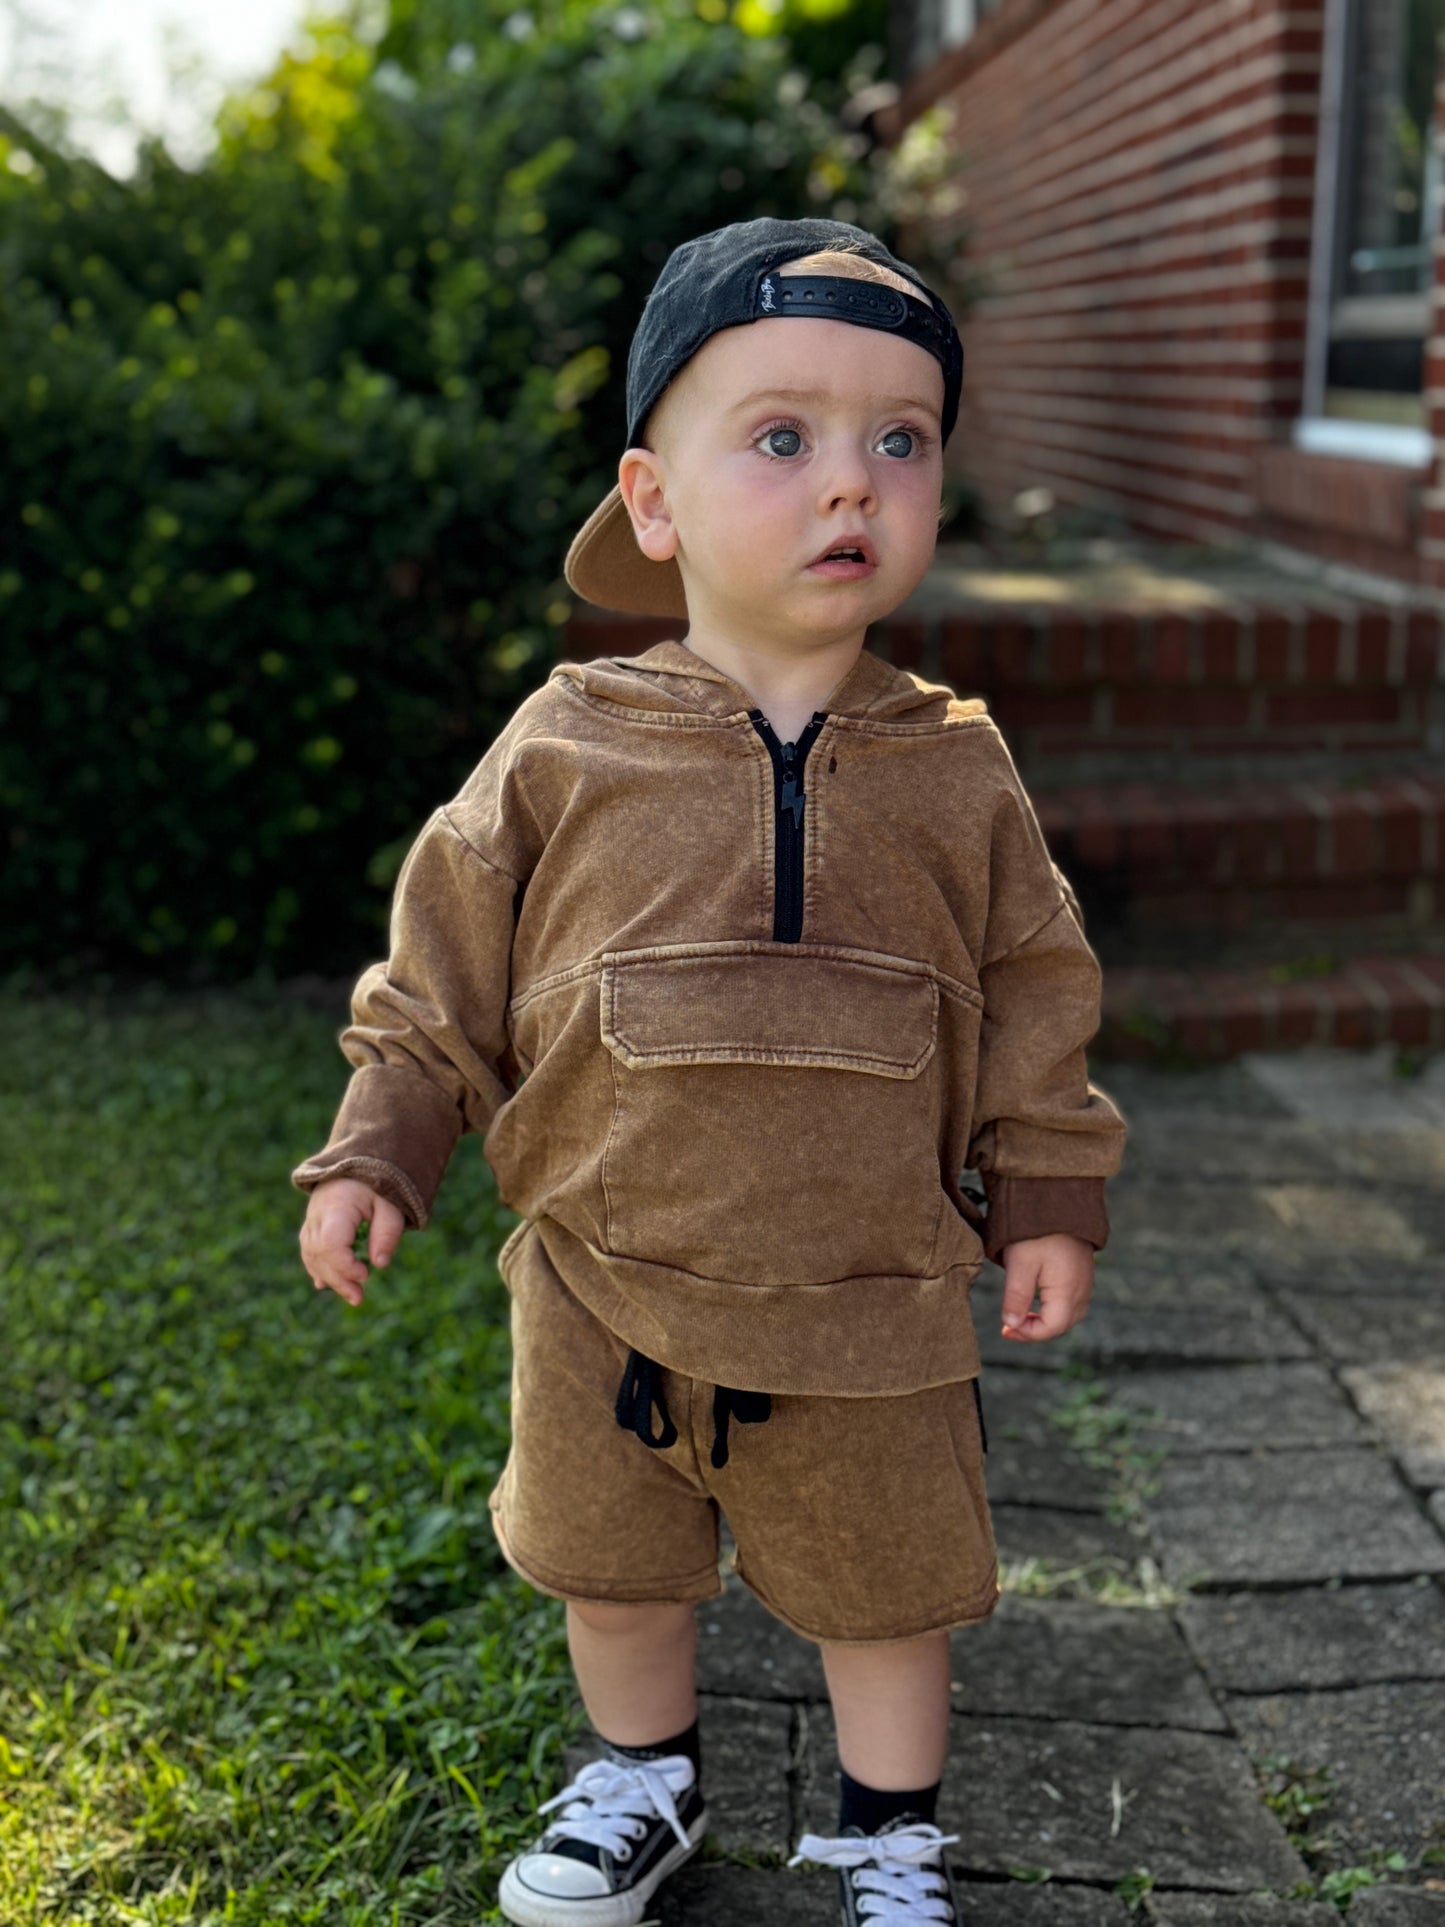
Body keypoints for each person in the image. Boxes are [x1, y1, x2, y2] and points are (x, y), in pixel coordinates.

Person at [293, 215, 1129, 1927]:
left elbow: (1039, 984)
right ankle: (641, 1782)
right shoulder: (565, 743)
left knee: (885, 1588)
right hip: (607, 1269)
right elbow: (439, 959)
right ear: (651, 500)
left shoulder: (954, 768)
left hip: (867, 1287)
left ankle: (888, 1834)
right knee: (613, 1564)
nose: (852, 484)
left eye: (900, 441)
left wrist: (1047, 1188)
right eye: (783, 436)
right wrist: (383, 1143)